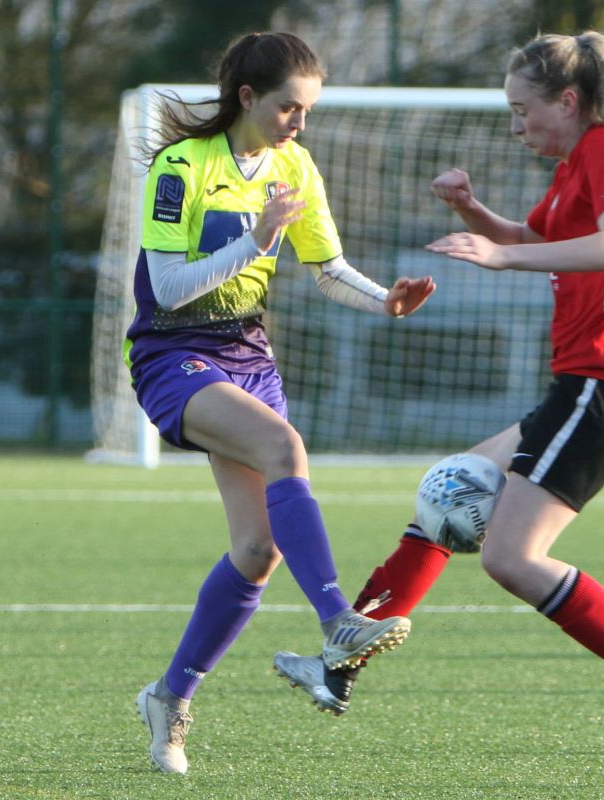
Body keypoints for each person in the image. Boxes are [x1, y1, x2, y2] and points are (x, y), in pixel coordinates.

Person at [275, 31, 604, 783]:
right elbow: (530, 234)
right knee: (448, 493)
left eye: (523, 109)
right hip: (591, 381)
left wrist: (503, 257)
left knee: (514, 558)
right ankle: (340, 659)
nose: (516, 125)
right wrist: (471, 208)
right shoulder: (581, 161)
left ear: (567, 102)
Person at [126, 32, 436, 774]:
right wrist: (255, 238)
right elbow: (168, 288)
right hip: (175, 353)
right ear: (247, 98)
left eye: (307, 110)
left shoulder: (294, 164)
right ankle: (337, 621)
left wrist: (384, 301)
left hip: (248, 356)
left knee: (258, 551)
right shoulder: (182, 167)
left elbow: (326, 269)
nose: (299, 123)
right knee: (285, 450)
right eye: (288, 108)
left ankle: (170, 697)